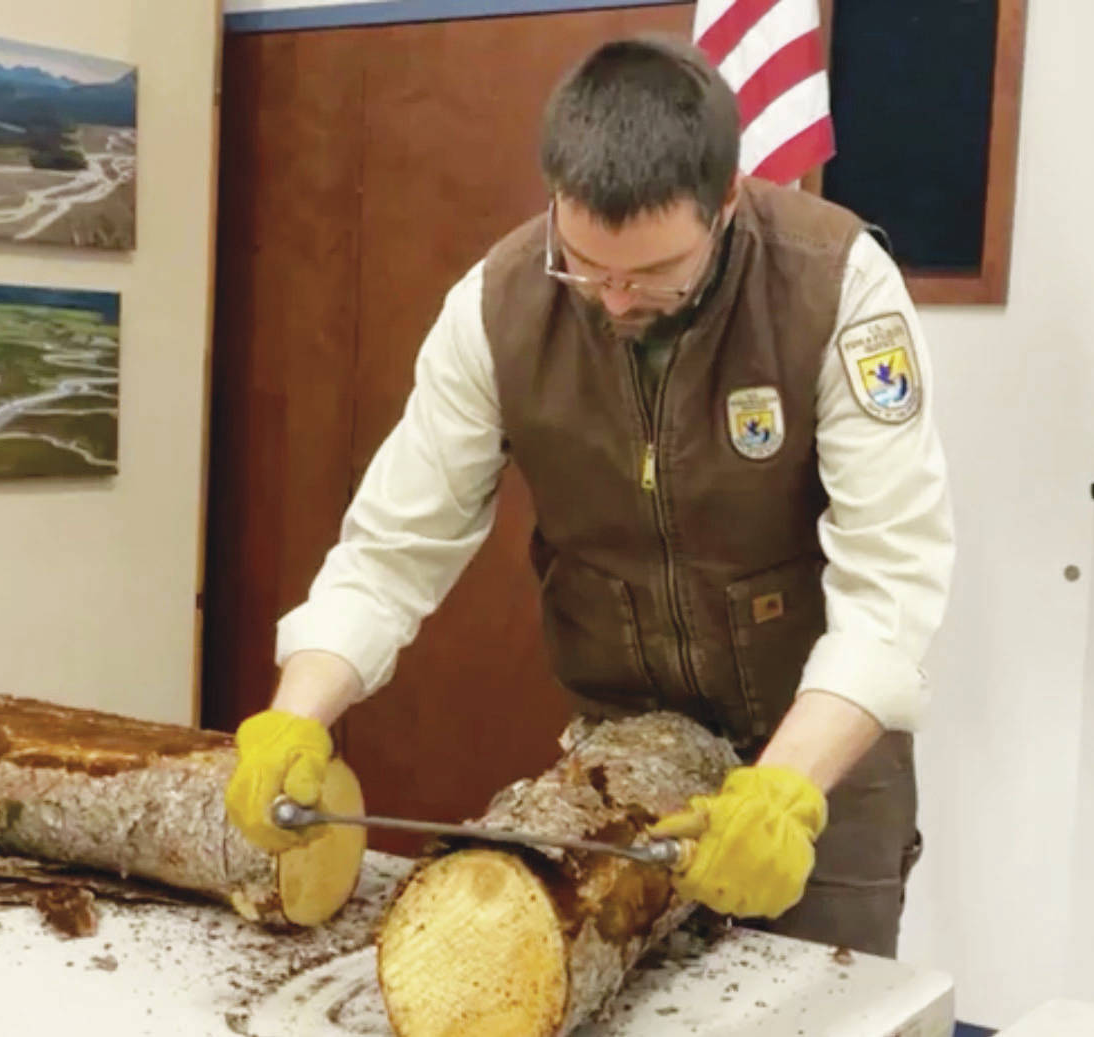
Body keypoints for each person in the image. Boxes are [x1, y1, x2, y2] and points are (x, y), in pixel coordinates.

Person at [224, 32, 953, 958]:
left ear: (725, 199)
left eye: (652, 274)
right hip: (624, 759)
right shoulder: (495, 308)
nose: (613, 300)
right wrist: (300, 708)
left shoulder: (836, 286)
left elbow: (893, 582)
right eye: (586, 265)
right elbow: (392, 552)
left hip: (819, 760)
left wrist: (788, 788)